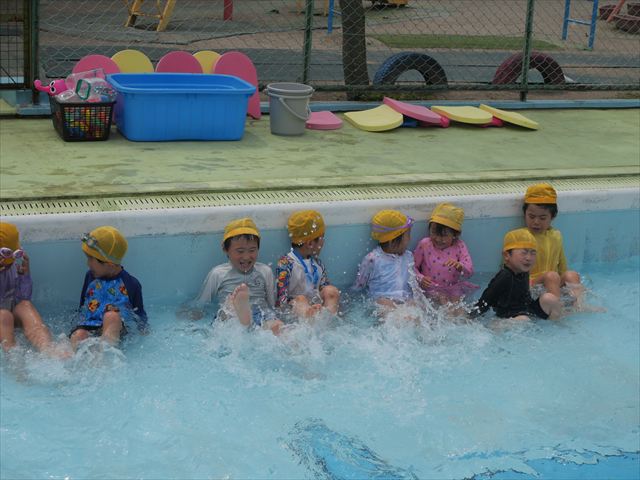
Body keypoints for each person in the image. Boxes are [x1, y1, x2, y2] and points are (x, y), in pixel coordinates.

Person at [196, 218, 283, 335]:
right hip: (231, 314)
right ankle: (241, 312)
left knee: (277, 325)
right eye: (240, 251)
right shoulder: (218, 273)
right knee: (228, 309)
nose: (246, 257)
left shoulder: (265, 271)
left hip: (260, 314)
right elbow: (202, 303)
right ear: (225, 249)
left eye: (252, 250)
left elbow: (272, 304)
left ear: (258, 249)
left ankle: (245, 317)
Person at [70, 226, 147, 351]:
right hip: (90, 325)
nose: (87, 263)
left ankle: (105, 356)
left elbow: (139, 313)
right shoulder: (90, 276)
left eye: (91, 259)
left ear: (110, 265)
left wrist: (144, 331)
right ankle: (71, 361)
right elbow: (83, 307)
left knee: (111, 316)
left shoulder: (131, 284)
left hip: (117, 330)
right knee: (79, 335)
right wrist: (75, 327)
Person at [470, 228, 562, 321]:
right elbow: (485, 301)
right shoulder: (504, 276)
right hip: (507, 317)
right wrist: (469, 317)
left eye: (533, 253)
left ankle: (554, 326)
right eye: (524, 253)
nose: (528, 258)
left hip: (527, 310)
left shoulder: (524, 271)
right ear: (507, 255)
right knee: (523, 319)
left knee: (550, 299)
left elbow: (526, 298)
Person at [0, 222, 63, 356]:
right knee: (4, 315)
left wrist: (25, 277)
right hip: (3, 318)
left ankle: (47, 347)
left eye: (16, 255)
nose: (10, 263)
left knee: (25, 305)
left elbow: (23, 297)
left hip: (10, 317)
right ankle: (13, 355)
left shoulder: (12, 265)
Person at [522, 183, 583, 302]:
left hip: (553, 283)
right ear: (524, 214)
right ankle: (557, 308)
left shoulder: (556, 236)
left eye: (542, 218)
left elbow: (562, 265)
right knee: (551, 276)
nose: (536, 222)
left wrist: (563, 280)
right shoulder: (521, 236)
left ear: (552, 217)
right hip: (531, 284)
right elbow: (510, 266)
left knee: (572, 275)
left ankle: (579, 304)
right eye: (531, 216)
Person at [276, 210, 340, 319]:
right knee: (301, 299)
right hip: (297, 310)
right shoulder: (286, 263)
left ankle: (329, 320)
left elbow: (324, 288)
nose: (323, 242)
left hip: (316, 304)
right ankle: (309, 319)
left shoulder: (317, 263)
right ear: (310, 243)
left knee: (331, 290)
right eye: (322, 237)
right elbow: (281, 300)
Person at [353, 209, 417, 314]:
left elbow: (414, 280)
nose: (410, 239)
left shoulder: (408, 256)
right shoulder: (373, 259)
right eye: (407, 236)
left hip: (404, 298)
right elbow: (359, 285)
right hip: (382, 300)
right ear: (392, 241)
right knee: (384, 303)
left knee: (414, 303)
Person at [413, 203, 477, 306]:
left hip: (453, 287)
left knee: (458, 307)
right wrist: (421, 278)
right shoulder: (425, 244)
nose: (438, 239)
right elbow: (412, 267)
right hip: (432, 287)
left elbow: (469, 272)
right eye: (434, 233)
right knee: (442, 300)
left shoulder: (459, 246)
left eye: (444, 236)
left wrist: (460, 266)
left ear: (455, 235)